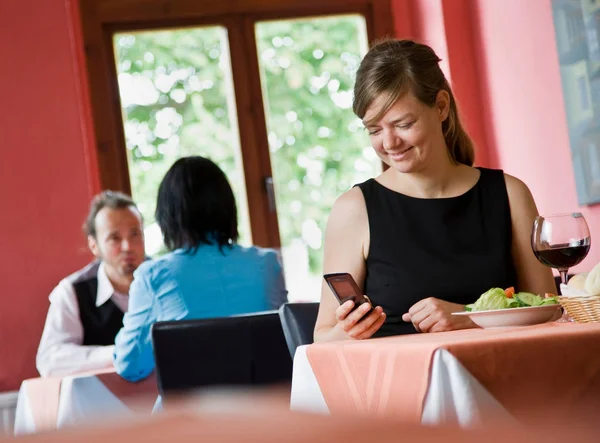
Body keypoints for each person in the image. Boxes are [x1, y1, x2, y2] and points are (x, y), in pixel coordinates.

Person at [314, 39, 556, 341]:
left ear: (441, 106)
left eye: (403, 124)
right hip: (399, 385)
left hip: (503, 378)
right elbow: (322, 337)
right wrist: (349, 331)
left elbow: (550, 312)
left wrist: (469, 318)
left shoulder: (510, 194)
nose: (389, 143)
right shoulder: (354, 208)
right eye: (374, 130)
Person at [113, 156, 288, 382]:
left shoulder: (154, 276)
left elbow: (130, 366)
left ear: (168, 215)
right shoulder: (268, 264)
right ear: (228, 206)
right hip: (270, 410)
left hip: (190, 414)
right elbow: (288, 343)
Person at [36, 191, 146, 376]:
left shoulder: (166, 281)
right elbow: (50, 360)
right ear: (94, 245)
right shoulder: (73, 291)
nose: (127, 246)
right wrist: (121, 352)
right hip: (100, 402)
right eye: (115, 238)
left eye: (135, 234)